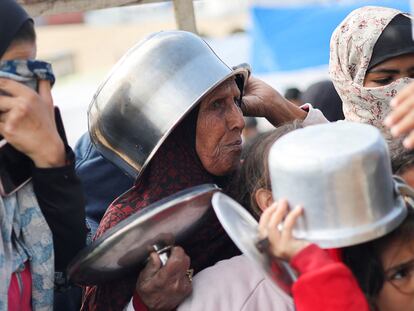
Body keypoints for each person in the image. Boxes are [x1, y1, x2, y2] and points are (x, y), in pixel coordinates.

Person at [80, 31, 309, 311]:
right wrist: (143, 304)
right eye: (216, 105)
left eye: (236, 101)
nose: (238, 120)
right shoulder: (129, 226)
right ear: (178, 129)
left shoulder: (258, 190)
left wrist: (280, 108)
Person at [179, 125, 369, 311]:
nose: (334, 187)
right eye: (309, 177)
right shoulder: (222, 289)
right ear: (270, 202)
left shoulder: (372, 250)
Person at [0, 1, 87, 310]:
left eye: (36, 76)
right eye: (15, 76)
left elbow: (71, 273)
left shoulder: (18, 165)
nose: (37, 99)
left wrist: (52, 163)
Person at [329, 6, 414, 141]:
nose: (405, 87)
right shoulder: (332, 150)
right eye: (384, 79)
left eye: (413, 76)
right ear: (348, 84)